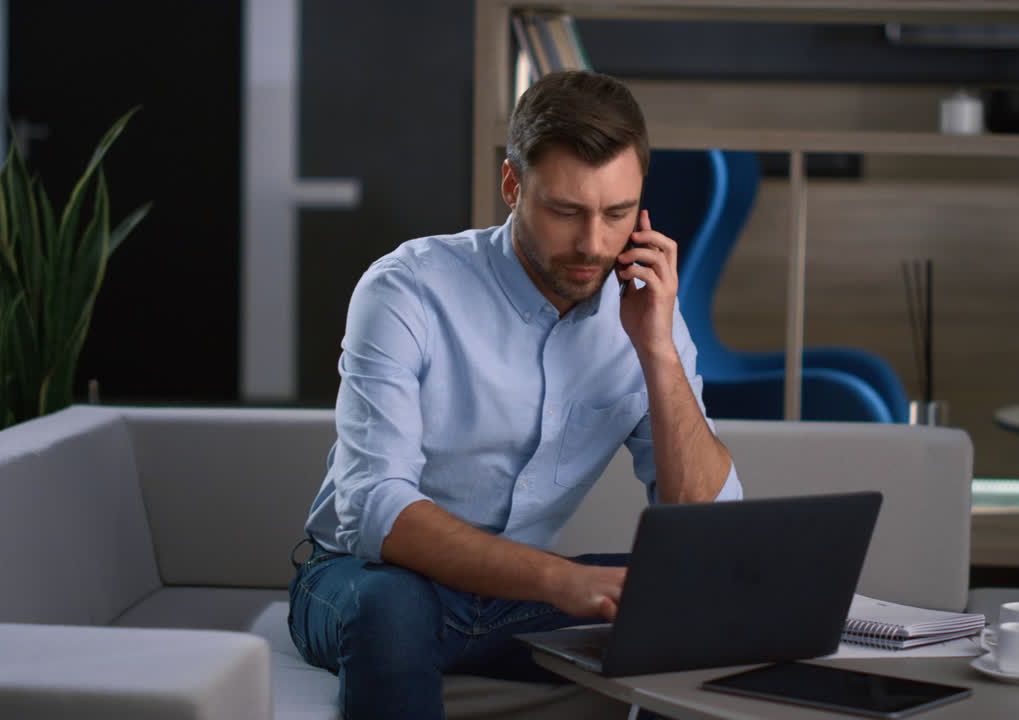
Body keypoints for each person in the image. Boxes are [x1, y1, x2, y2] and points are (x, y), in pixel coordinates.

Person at [288, 70, 742, 719]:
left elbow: (707, 526)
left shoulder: (647, 313)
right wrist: (561, 581)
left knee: (711, 591)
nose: (592, 244)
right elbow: (375, 510)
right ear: (512, 186)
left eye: (616, 214)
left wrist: (658, 352)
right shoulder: (407, 290)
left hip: (511, 601)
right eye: (565, 211)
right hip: (361, 579)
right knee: (392, 607)